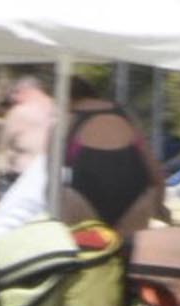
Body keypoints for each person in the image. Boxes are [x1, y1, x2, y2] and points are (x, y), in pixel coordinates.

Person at [59, 73, 160, 238]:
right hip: (133, 185)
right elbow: (153, 166)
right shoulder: (124, 114)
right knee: (127, 254)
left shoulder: (68, 118)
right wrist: (159, 204)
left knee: (89, 255)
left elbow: (50, 171)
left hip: (85, 188)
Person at [0, 74, 56, 188]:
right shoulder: (61, 108)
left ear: (22, 91)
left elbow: (2, 147)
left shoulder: (19, 112)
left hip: (24, 176)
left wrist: (1, 172)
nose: (12, 99)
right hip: (55, 176)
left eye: (13, 94)